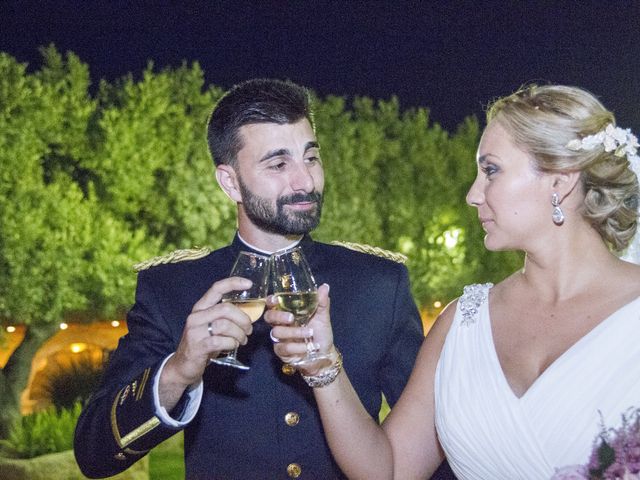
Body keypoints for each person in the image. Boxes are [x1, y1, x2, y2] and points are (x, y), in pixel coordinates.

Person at [74, 78, 455, 479]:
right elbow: (94, 455)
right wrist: (178, 370)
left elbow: (431, 440)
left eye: (310, 158)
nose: (305, 181)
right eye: (278, 164)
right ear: (230, 182)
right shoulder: (172, 288)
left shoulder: (379, 283)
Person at [265, 84, 640, 479]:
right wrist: (324, 365)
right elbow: (389, 471)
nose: (473, 194)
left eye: (491, 170)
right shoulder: (462, 324)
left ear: (559, 182)